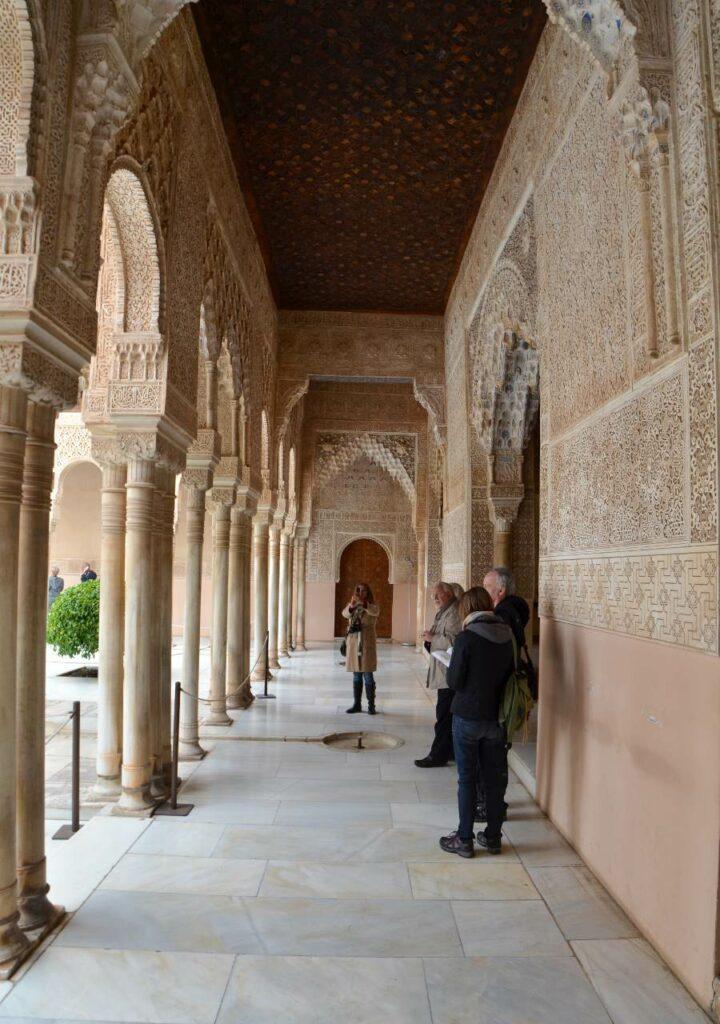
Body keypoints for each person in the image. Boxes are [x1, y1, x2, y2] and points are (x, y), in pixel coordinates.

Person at [440, 586, 514, 858]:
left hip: (468, 717)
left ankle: (464, 839)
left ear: (467, 609)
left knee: (468, 779)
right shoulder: (507, 636)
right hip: (496, 718)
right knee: (494, 780)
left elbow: (454, 681)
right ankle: (493, 838)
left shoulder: (466, 638)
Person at [415, 582, 462, 768]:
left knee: (443, 716)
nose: (434, 598)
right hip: (443, 670)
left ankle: (438, 756)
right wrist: (430, 639)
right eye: (433, 594)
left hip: (448, 673)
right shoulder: (444, 611)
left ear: (448, 594)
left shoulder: (454, 612)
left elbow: (455, 641)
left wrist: (432, 638)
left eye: (438, 594)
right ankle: (450, 751)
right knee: (446, 715)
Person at [342, 583, 380, 715]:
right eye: (358, 590)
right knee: (356, 674)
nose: (360, 592)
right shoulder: (353, 605)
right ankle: (357, 704)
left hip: (366, 643)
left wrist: (364, 605)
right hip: (354, 643)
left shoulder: (372, 606)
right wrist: (351, 606)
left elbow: (375, 612)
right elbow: (344, 614)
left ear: (368, 592)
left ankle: (371, 706)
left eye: (363, 590)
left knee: (368, 674)